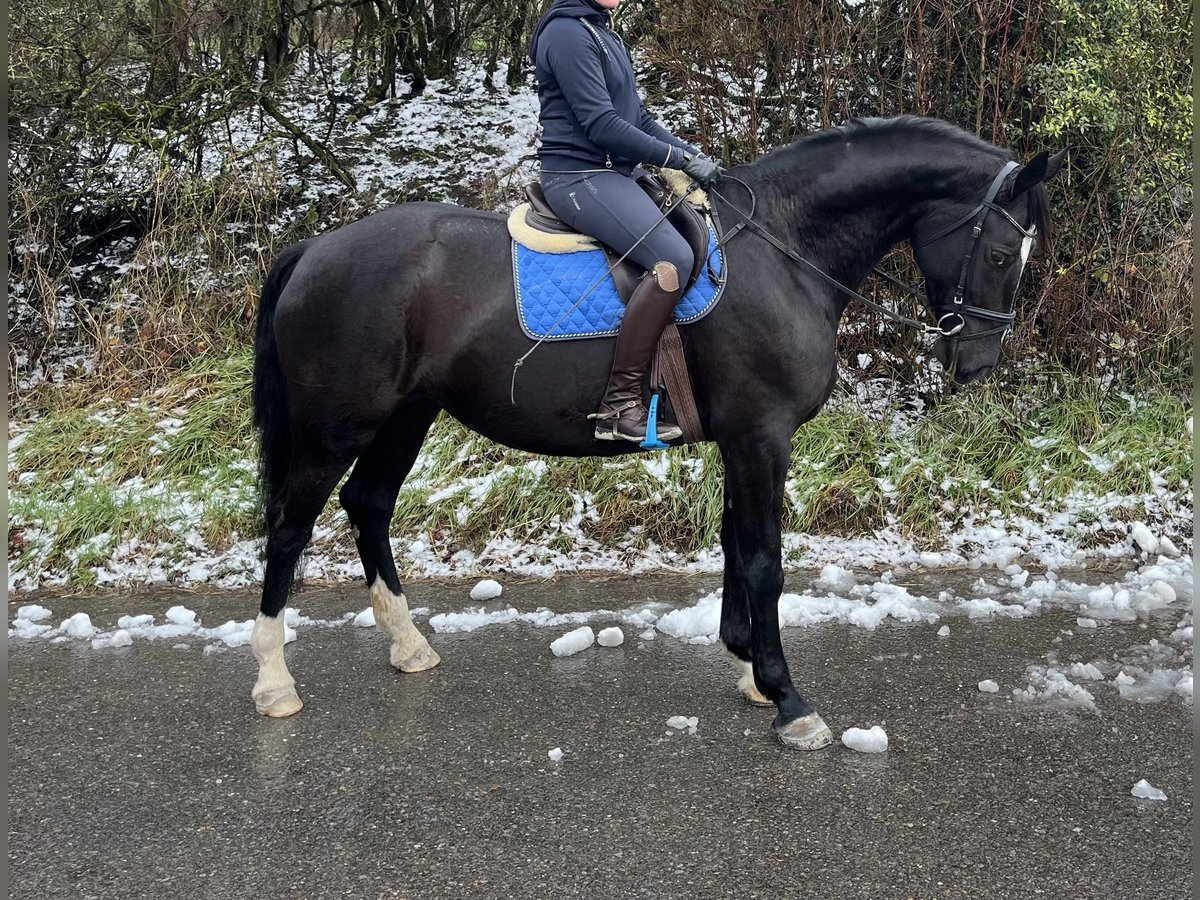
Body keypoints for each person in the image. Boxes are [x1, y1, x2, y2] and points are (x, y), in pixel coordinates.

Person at [529, 0, 722, 443]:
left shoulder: (603, 31)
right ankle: (620, 404)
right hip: (579, 175)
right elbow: (603, 125)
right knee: (671, 256)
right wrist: (676, 158)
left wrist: (692, 157)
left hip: (616, 172)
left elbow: (639, 119)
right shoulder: (567, 33)